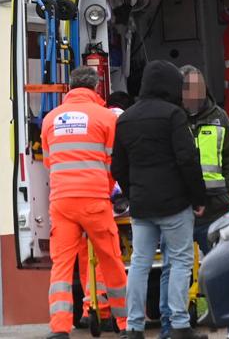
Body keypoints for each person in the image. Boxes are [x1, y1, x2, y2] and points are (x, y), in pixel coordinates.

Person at [111, 60, 207, 339]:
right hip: (174, 204)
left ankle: (133, 327)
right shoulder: (173, 115)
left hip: (142, 205)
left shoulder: (125, 118)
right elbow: (187, 159)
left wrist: (132, 192)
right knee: (179, 261)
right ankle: (179, 324)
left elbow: (118, 166)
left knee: (140, 262)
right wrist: (197, 196)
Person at [41, 67, 128, 339]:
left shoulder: (50, 119)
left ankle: (59, 328)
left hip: (62, 202)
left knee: (62, 266)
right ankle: (125, 323)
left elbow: (48, 161)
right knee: (111, 260)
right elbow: (115, 163)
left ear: (70, 88)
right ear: (96, 88)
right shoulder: (105, 117)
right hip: (94, 201)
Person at [158, 65, 229, 339]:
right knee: (171, 271)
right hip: (180, 210)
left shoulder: (219, 118)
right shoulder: (169, 118)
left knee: (225, 268)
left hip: (215, 208)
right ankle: (171, 328)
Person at [77, 90, 133, 331]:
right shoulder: (121, 120)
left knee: (87, 257)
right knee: (108, 254)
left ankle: (89, 308)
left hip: (77, 197)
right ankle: (116, 314)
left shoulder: (88, 120)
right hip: (107, 198)